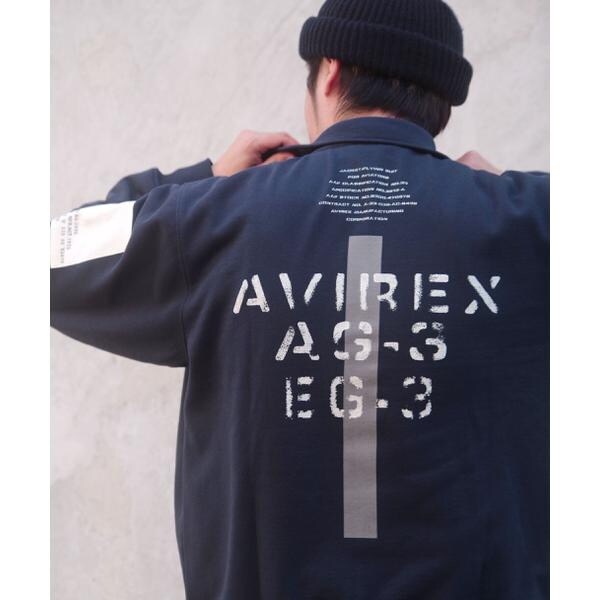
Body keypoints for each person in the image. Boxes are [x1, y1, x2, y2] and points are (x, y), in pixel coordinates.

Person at [50, 0, 549, 598]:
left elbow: (48, 258)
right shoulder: (532, 225)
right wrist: (519, 201)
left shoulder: (216, 219)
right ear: (441, 106)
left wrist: (201, 182)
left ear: (329, 72)